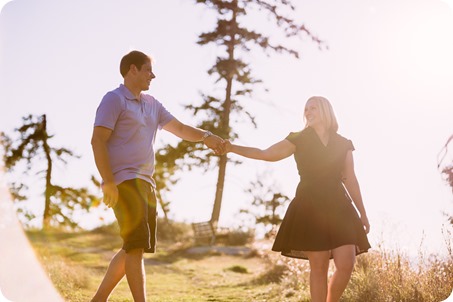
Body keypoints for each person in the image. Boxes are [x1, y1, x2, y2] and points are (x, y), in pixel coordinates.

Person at [90, 50, 225, 302]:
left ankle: (98, 299)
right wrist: (108, 181)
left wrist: (207, 136)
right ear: (133, 69)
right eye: (148, 70)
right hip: (124, 181)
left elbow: (181, 129)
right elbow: (97, 140)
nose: (153, 75)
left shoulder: (152, 104)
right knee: (135, 247)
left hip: (145, 184)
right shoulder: (114, 99)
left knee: (132, 246)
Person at [223, 96, 371, 302]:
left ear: (326, 111)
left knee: (346, 264)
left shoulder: (343, 143)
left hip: (340, 208)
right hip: (309, 206)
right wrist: (231, 147)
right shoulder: (298, 138)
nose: (308, 112)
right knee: (318, 267)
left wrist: (363, 213)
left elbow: (350, 179)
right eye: (306, 109)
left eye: (313, 108)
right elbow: (265, 154)